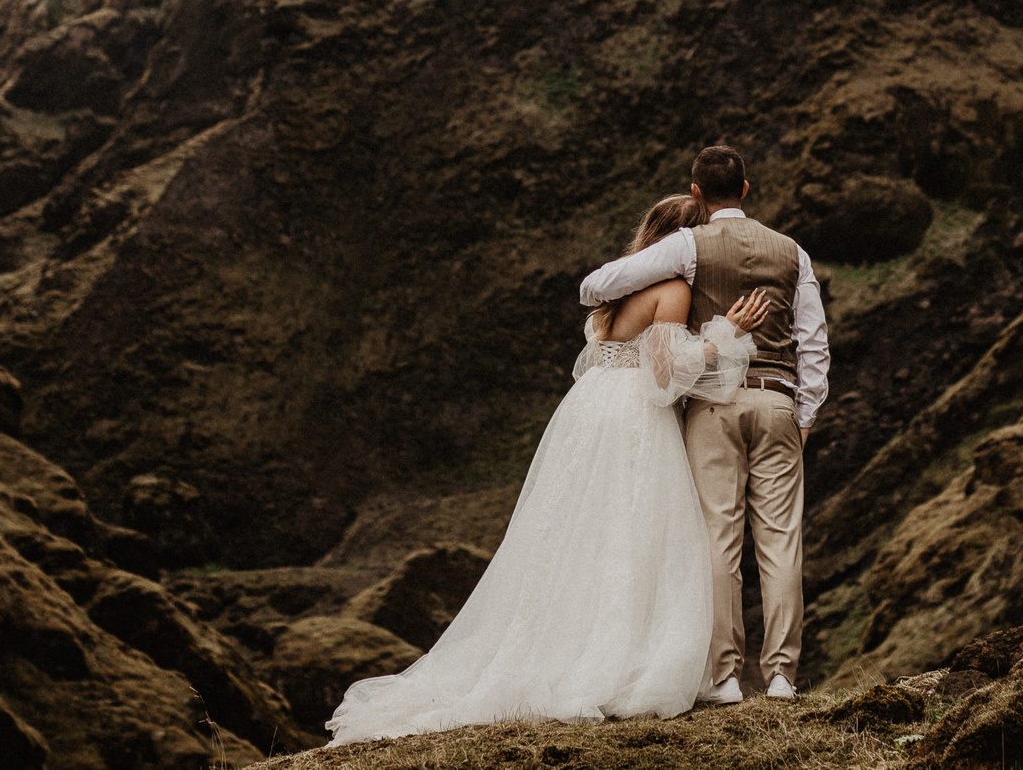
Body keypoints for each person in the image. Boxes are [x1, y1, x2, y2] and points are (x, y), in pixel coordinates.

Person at [326, 194, 774, 744]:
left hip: (588, 411)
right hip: (632, 416)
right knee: (632, 533)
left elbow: (608, 356)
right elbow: (662, 375)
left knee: (576, 535)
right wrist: (724, 335)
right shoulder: (674, 288)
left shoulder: (617, 293)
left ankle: (569, 642)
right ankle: (618, 659)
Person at [574, 144, 829, 703]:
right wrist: (804, 416)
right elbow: (814, 343)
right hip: (779, 401)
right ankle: (783, 675)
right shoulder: (793, 253)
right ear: (745, 188)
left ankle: (725, 676)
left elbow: (594, 287)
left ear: (696, 194)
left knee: (718, 541)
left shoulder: (687, 245)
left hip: (713, 408)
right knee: (781, 543)